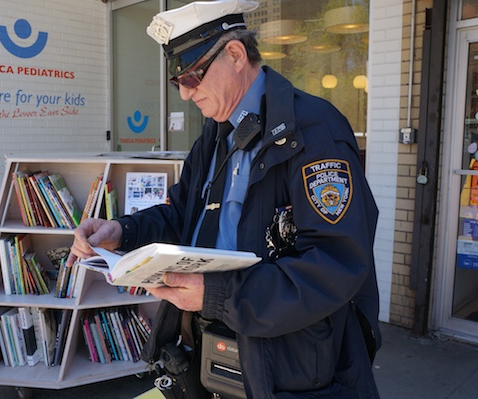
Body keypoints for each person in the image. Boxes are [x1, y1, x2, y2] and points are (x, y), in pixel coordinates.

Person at [67, 0, 381, 397]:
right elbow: (184, 214)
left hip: (291, 361)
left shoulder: (315, 130)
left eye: (193, 76)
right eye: (176, 82)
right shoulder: (216, 133)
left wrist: (218, 295)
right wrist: (121, 231)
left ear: (235, 54)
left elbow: (336, 263)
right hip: (212, 343)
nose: (184, 94)